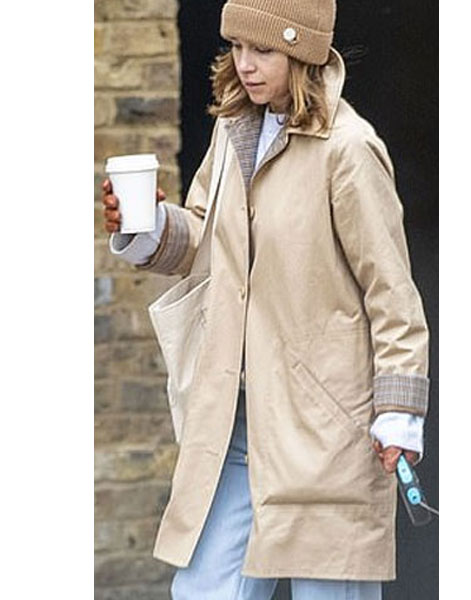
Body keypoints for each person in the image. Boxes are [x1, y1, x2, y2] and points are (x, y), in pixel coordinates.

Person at [101, 1, 430, 598]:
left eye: (263, 50)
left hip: (325, 434)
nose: (244, 65)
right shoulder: (235, 132)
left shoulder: (349, 150)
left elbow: (393, 297)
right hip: (236, 419)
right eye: (236, 48)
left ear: (302, 53)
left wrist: (399, 412)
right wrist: (146, 227)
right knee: (203, 590)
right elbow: (204, 237)